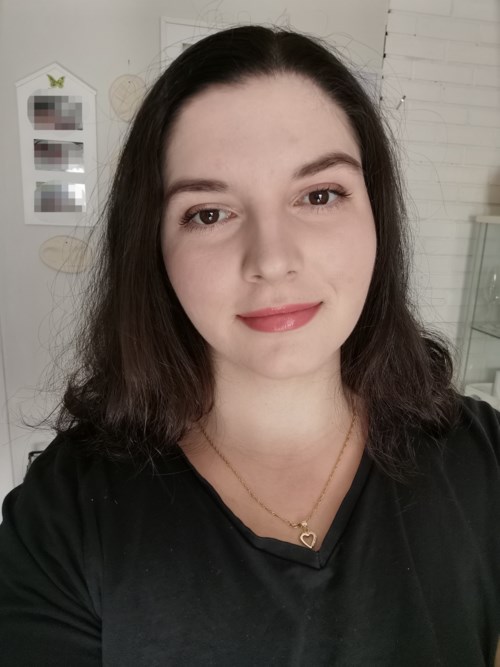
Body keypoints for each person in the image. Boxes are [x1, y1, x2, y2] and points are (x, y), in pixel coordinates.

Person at [0, 24, 499, 666]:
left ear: (377, 216)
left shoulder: (484, 461)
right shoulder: (66, 516)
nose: (271, 259)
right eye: (209, 213)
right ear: (154, 249)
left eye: (319, 195)